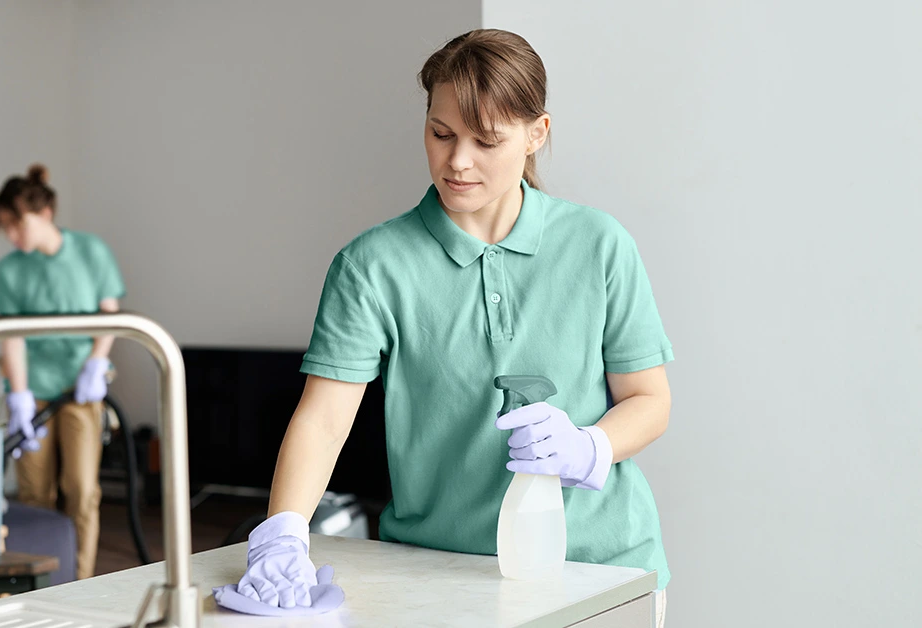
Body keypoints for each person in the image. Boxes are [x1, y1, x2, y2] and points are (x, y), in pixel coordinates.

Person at [225, 29, 672, 625]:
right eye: (441, 134)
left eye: (486, 141)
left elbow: (649, 399)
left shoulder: (600, 245)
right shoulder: (372, 266)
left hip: (605, 571)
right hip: (434, 573)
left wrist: (592, 446)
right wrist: (282, 532)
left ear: (537, 133)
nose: (457, 161)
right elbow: (324, 417)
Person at [0, 164, 126, 580]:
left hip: (82, 388)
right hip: (35, 390)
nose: (12, 237)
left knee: (81, 490)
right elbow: (12, 337)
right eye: (5, 230)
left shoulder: (91, 252)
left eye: (16, 225)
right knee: (33, 493)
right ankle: (37, 583)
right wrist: (19, 396)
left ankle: (79, 582)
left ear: (43, 212)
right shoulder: (9, 270)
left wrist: (96, 363)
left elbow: (110, 314)